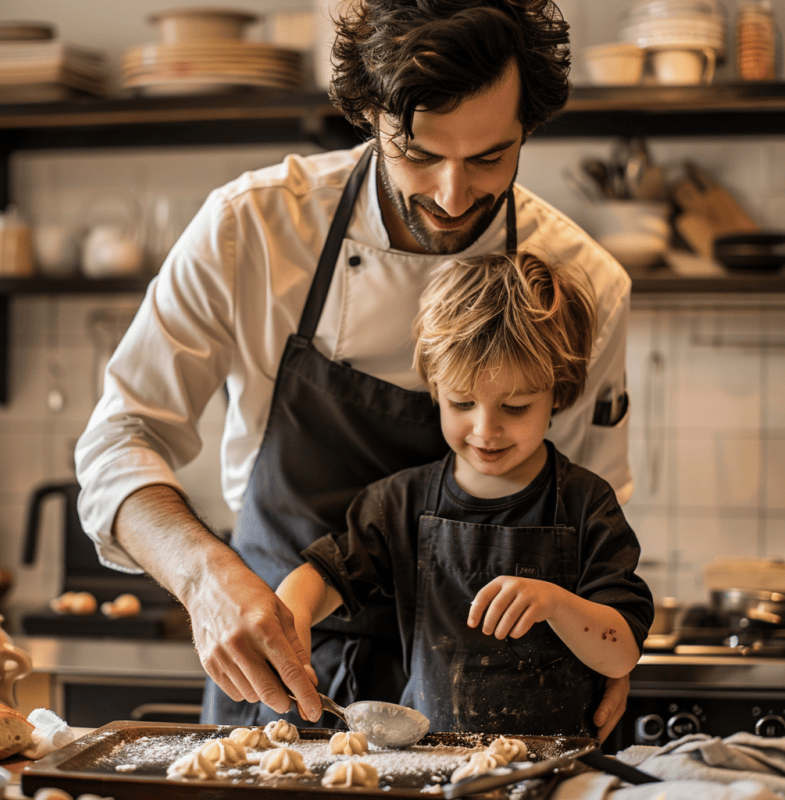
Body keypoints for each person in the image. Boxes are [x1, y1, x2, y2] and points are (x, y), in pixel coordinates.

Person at [74, 0, 634, 737]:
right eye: (421, 154)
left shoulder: (580, 281)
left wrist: (609, 651)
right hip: (279, 673)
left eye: (491, 157)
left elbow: (589, 513)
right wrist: (203, 576)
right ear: (368, 113)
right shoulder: (255, 229)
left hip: (485, 701)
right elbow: (121, 439)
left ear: (527, 127)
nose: (453, 194)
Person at [275, 252, 652, 736]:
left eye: (515, 407)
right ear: (434, 387)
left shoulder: (586, 503)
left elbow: (621, 652)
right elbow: (323, 576)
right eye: (461, 402)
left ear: (557, 392)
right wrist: (292, 620)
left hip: (558, 772)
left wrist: (556, 603)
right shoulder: (401, 502)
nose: (485, 429)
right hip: (433, 766)